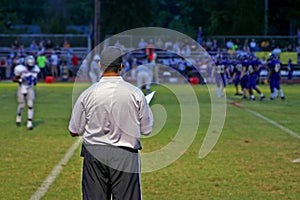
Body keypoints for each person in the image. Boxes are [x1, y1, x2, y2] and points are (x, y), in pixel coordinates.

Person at [68, 46, 153, 200]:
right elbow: (146, 129)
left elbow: (74, 130)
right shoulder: (135, 93)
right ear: (121, 66)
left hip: (94, 154)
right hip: (125, 155)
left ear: (100, 65)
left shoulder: (87, 94)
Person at [14, 55, 40, 129]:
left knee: (30, 105)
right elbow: (14, 79)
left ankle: (29, 123)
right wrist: (21, 80)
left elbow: (35, 79)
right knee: (22, 105)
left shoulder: (36, 68)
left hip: (30, 87)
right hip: (22, 87)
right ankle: (18, 117)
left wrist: (35, 81)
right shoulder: (19, 68)